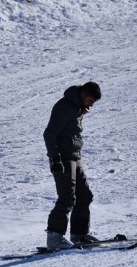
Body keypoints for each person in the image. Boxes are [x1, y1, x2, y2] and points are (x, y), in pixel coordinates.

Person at [43, 81, 102, 249]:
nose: (91, 105)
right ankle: (54, 237)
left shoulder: (76, 107)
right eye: (90, 100)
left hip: (75, 157)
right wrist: (55, 159)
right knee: (67, 197)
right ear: (83, 94)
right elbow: (49, 134)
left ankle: (79, 234)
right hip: (63, 158)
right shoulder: (64, 107)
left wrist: (80, 111)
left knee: (85, 196)